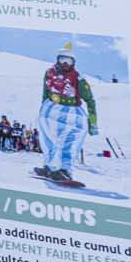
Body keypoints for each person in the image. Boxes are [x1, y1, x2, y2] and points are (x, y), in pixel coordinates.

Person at [34, 43, 98, 189]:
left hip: (71, 113)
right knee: (48, 140)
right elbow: (45, 92)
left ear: (73, 62)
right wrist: (43, 109)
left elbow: (90, 100)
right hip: (51, 110)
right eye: (62, 60)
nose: (65, 64)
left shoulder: (78, 78)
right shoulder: (49, 73)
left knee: (68, 142)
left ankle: (64, 170)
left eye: (68, 61)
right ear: (58, 59)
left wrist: (93, 122)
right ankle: (50, 167)